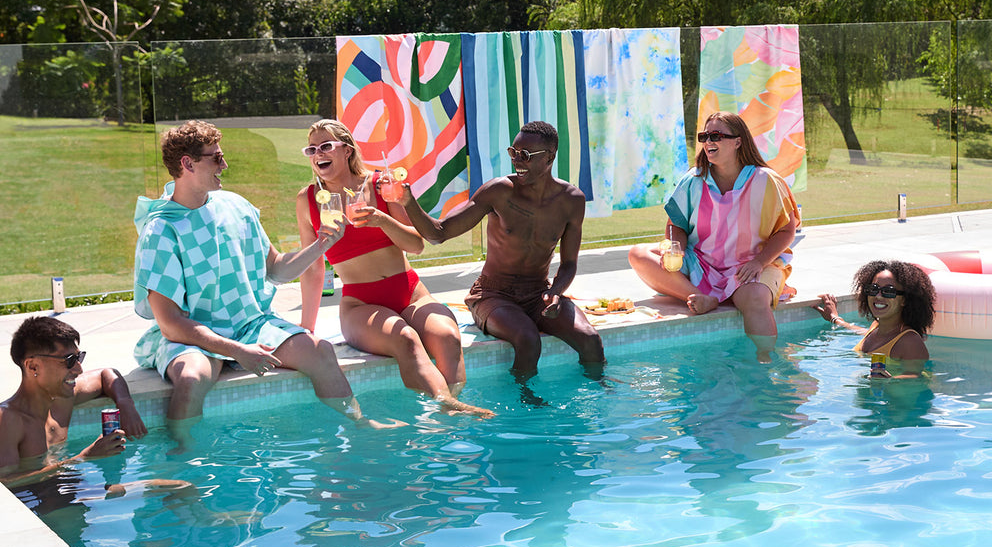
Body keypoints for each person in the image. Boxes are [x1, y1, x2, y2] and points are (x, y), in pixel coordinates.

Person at [133, 120, 387, 440]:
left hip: (250, 324)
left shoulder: (236, 206)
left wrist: (322, 244)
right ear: (187, 163)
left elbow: (276, 269)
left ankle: (360, 424)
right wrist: (238, 351)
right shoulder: (161, 230)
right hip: (191, 334)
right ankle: (181, 463)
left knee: (320, 351)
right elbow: (170, 323)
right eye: (216, 158)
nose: (224, 164)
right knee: (191, 379)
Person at [296, 119, 492, 418]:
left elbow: (416, 245)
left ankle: (447, 411)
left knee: (448, 335)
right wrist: (307, 328)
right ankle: (449, 405)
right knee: (405, 338)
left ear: (347, 151)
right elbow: (312, 270)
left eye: (326, 146)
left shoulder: (381, 185)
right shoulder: (309, 200)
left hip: (410, 293)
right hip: (361, 304)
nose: (317, 154)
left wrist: (382, 220)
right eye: (312, 149)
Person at [398, 120, 604, 378]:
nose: (517, 161)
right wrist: (408, 202)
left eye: (525, 155)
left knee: (590, 339)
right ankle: (526, 405)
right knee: (528, 338)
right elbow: (439, 234)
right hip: (492, 295)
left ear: (549, 158)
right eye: (513, 153)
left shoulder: (571, 201)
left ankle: (597, 398)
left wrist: (555, 291)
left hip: (538, 293)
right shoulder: (499, 191)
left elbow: (569, 264)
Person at [629, 111, 799, 360]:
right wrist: (674, 248)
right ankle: (699, 298)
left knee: (754, 300)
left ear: (738, 141)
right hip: (702, 264)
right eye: (705, 136)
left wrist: (759, 262)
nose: (709, 142)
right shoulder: (693, 179)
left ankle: (765, 362)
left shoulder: (766, 180)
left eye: (716, 136)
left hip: (750, 266)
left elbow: (787, 229)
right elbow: (676, 223)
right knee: (639, 254)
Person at [0, 316, 148, 487]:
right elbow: (1, 485)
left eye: (79, 358)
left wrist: (126, 406)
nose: (79, 369)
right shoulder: (4, 421)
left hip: (69, 491)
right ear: (33, 366)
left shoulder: (62, 398)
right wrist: (84, 458)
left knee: (167, 486)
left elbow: (106, 374)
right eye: (70, 361)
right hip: (37, 506)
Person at [816, 260, 934, 378]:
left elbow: (915, 379)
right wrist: (835, 319)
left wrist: (889, 381)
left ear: (904, 300)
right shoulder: (877, 326)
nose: (878, 296)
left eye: (888, 291)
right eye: (873, 289)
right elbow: (862, 332)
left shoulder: (910, 342)